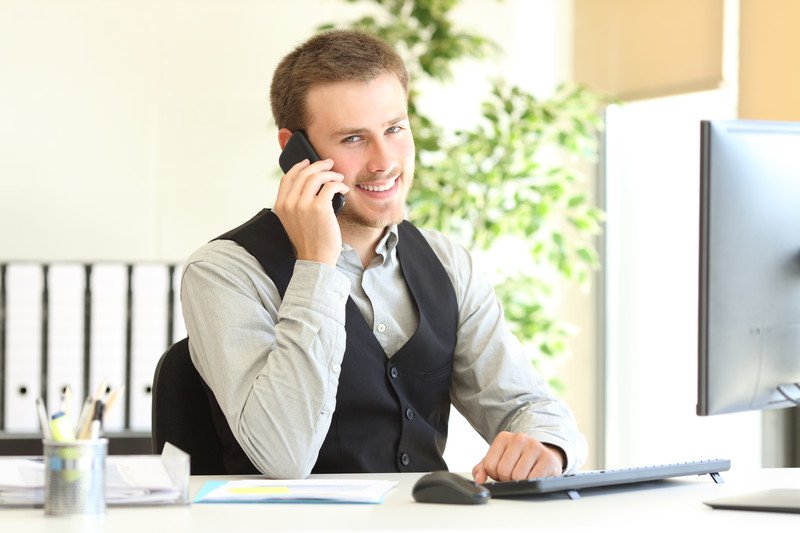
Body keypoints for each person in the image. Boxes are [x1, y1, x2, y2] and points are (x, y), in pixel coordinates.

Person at [181, 29, 588, 482]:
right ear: (294, 151)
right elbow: (283, 457)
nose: (384, 162)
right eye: (353, 139)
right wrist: (317, 264)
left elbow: (524, 404)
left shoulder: (448, 263)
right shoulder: (224, 272)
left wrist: (548, 447)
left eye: (394, 129)